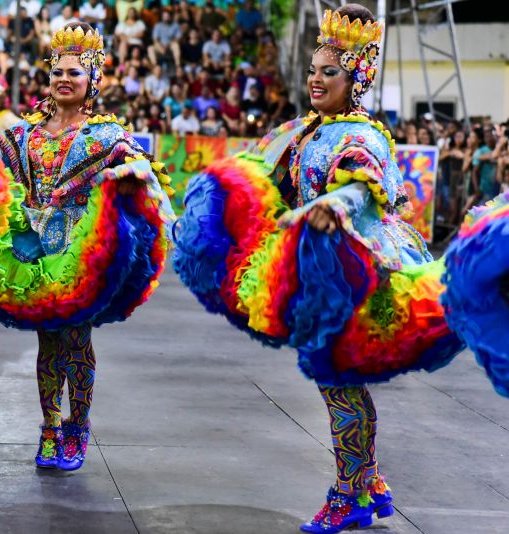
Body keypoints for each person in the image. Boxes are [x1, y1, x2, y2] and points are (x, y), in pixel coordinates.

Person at [172, 6, 466, 533]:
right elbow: (263, 172)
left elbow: (362, 184)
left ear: (357, 80)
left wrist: (334, 206)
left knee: (337, 377)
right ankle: (369, 481)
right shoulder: (306, 130)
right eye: (312, 70)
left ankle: (349, 492)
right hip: (316, 264)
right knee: (340, 380)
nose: (314, 80)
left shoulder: (362, 136)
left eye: (329, 72)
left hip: (355, 270)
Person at [0, 23, 173, 471]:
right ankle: (49, 428)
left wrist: (133, 184)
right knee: (48, 344)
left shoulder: (106, 137)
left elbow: (147, 173)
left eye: (74, 73)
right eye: (57, 71)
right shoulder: (25, 135)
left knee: (76, 340)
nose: (63, 78)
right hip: (32, 255)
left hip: (80, 256)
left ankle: (77, 429)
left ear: (92, 81)